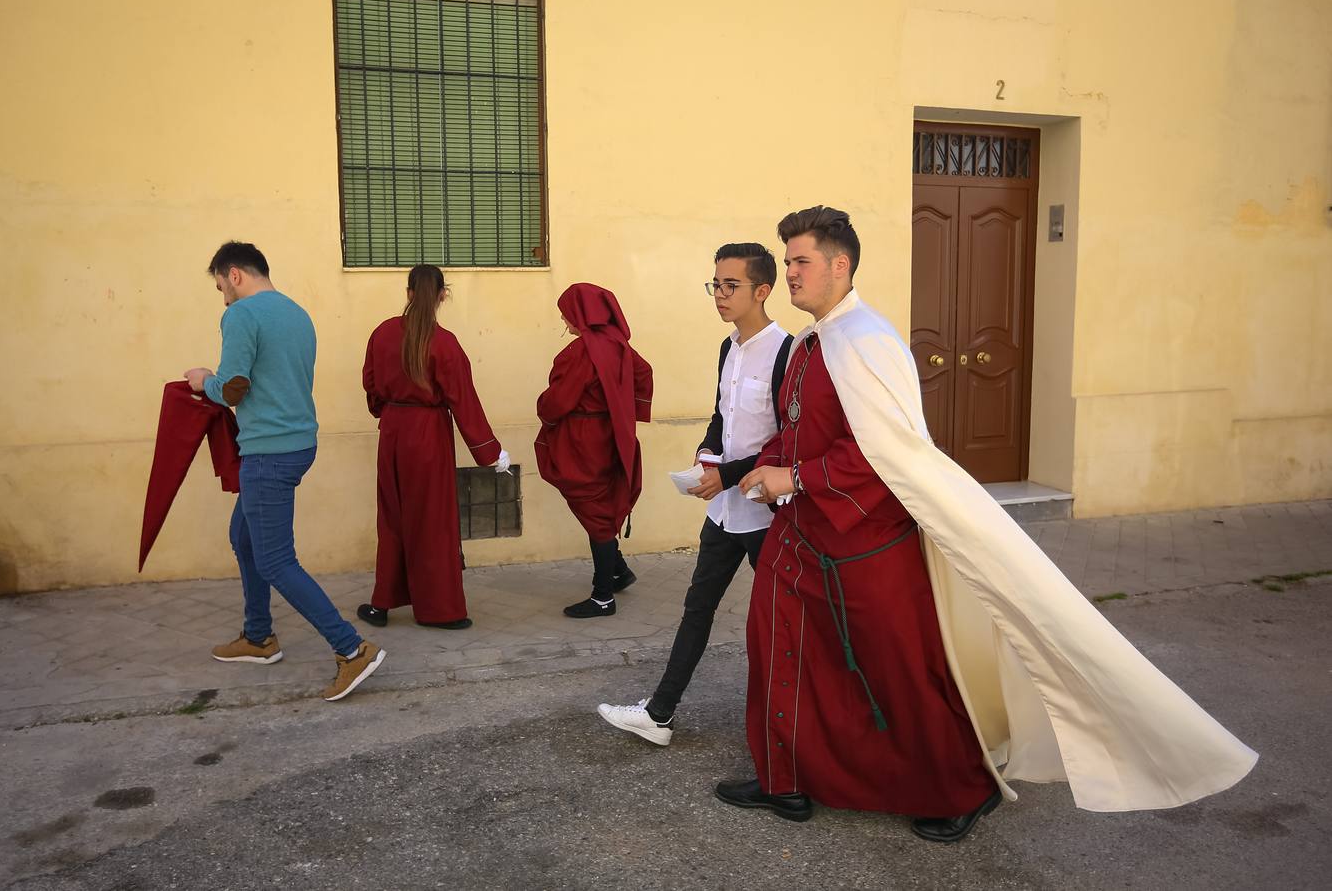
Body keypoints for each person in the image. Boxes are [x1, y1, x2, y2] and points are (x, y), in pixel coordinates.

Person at [717, 206, 1256, 839]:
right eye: (787, 264)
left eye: (800, 262)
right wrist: (769, 467)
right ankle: (788, 777)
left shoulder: (866, 341)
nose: (791, 276)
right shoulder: (814, 343)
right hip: (804, 536)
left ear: (841, 265)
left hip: (865, 542)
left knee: (901, 670)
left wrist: (798, 477)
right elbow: (802, 427)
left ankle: (961, 788)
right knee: (783, 647)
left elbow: (885, 451)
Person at [597, 243, 791, 745]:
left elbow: (788, 438)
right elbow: (722, 418)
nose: (720, 295)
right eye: (716, 285)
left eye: (731, 286)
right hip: (724, 511)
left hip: (767, 514)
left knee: (783, 622)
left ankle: (793, 728)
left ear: (762, 291)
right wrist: (708, 456)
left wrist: (730, 474)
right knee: (697, 606)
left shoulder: (789, 352)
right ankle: (659, 713)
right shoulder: (729, 348)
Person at [184, 241, 385, 702]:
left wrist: (202, 381)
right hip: (297, 443)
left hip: (267, 452)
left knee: (275, 559)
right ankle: (258, 638)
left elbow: (233, 388)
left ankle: (351, 649)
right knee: (245, 538)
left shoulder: (241, 315)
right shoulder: (297, 313)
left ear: (234, 275)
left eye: (220, 287)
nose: (223, 298)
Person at [356, 265, 511, 631]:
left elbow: (371, 385)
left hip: (392, 431)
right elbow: (464, 401)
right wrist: (490, 452)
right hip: (427, 434)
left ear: (409, 293)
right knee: (433, 521)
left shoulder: (381, 333)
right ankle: (441, 609)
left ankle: (382, 603)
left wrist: (391, 411)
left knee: (392, 516)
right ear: (443, 294)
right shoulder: (445, 343)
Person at [536, 283, 653, 618]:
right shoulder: (617, 344)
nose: (564, 318)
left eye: (567, 312)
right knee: (599, 504)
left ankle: (603, 597)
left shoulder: (581, 351)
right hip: (609, 434)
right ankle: (617, 571)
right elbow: (644, 373)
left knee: (594, 511)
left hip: (583, 439)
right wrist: (629, 412)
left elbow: (558, 401)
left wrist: (542, 407)